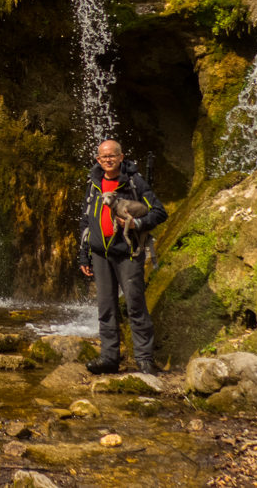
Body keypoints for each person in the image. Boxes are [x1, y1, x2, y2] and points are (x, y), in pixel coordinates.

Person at [78, 140, 167, 376]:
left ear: (121, 157)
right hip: (100, 254)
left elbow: (159, 212)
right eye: (103, 157)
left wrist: (137, 223)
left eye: (112, 156)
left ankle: (144, 360)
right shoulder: (94, 183)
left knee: (135, 305)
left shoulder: (134, 181)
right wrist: (84, 255)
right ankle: (109, 358)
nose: (107, 160)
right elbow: (86, 221)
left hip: (128, 253)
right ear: (98, 160)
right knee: (106, 307)